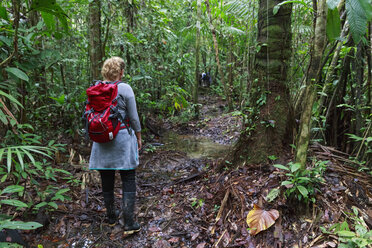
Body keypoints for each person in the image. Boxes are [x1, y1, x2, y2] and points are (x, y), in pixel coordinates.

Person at [88, 56, 142, 235]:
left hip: (101, 141)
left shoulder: (95, 88)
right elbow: (133, 117)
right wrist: (139, 136)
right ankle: (129, 222)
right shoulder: (125, 88)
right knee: (128, 179)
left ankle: (111, 217)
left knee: (107, 179)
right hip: (123, 139)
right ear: (121, 72)